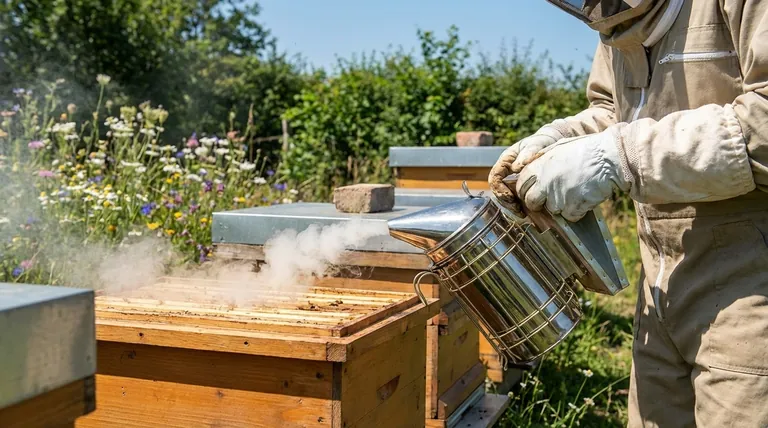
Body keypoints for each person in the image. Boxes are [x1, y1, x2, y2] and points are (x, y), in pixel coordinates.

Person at [488, 0, 768, 426]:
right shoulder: (614, 20)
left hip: (750, 287)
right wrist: (558, 139)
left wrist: (620, 158)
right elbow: (613, 111)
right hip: (658, 287)